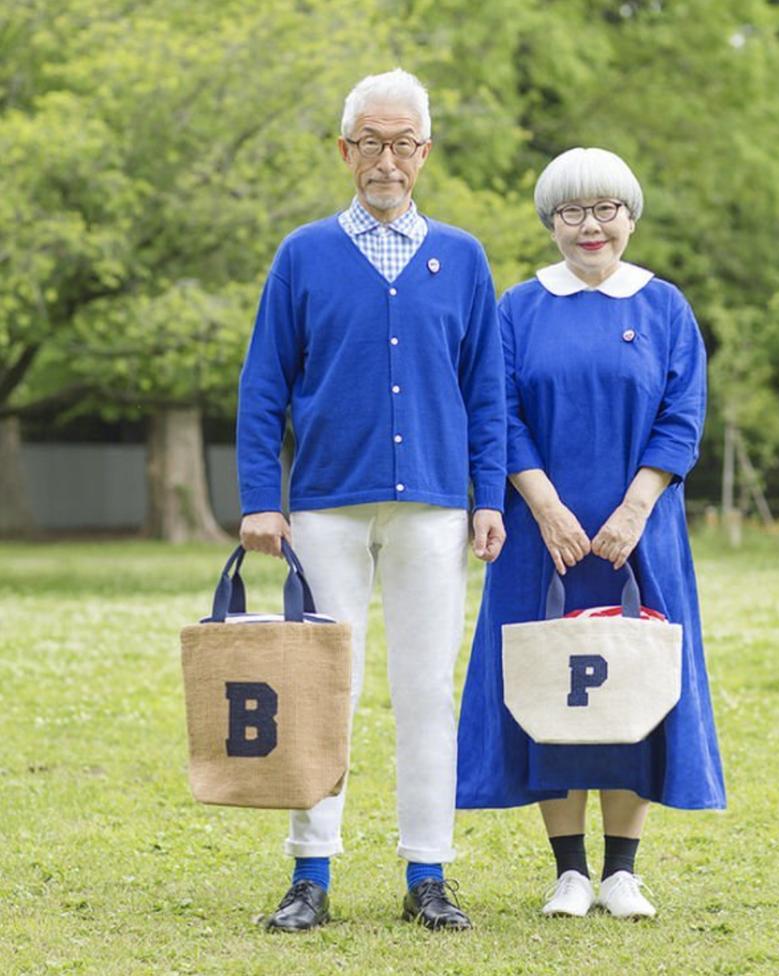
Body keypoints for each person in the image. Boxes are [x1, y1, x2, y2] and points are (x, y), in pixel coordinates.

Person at [236, 68, 506, 932]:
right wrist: (259, 498)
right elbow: (262, 388)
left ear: (424, 153)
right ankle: (310, 873)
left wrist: (487, 496)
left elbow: (487, 392)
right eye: (370, 143)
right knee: (322, 690)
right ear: (346, 150)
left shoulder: (462, 259)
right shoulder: (303, 254)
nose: (385, 160)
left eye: (403, 144)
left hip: (433, 503)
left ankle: (428, 871)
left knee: (429, 689)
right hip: (322, 506)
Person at [456, 147, 725, 919]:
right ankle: (568, 870)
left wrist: (635, 511)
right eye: (571, 212)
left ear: (631, 216)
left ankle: (623, 871)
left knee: (638, 677)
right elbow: (497, 416)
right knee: (551, 682)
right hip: (544, 532)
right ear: (551, 223)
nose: (590, 226)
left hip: (641, 531)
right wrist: (544, 508)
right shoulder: (518, 307)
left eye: (605, 209)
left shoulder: (665, 307)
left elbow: (682, 418)